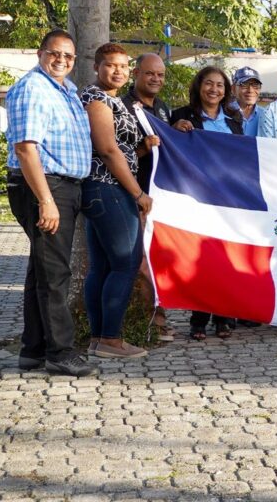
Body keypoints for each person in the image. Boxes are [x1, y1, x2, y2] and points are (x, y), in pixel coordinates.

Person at [4, 29, 97, 377]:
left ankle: (33, 350)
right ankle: (60, 352)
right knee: (56, 275)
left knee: (41, 272)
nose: (61, 60)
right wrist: (46, 200)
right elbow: (27, 149)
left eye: (68, 56)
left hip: (62, 186)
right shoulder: (34, 88)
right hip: (45, 186)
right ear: (40, 53)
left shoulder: (66, 90)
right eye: (54, 53)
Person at [80, 43, 159, 359]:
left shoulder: (115, 101)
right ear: (97, 67)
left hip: (107, 188)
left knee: (102, 266)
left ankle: (100, 339)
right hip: (107, 189)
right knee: (126, 264)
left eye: (124, 66)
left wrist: (143, 148)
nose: (118, 71)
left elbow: (122, 150)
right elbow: (108, 150)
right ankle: (111, 339)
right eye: (111, 65)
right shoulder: (96, 98)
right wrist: (138, 194)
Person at [170, 66, 243, 340]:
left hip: (229, 200)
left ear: (226, 91)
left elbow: (242, 159)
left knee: (226, 259)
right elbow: (169, 149)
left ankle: (224, 317)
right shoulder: (181, 116)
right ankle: (198, 319)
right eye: (209, 84)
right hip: (198, 199)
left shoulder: (234, 121)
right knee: (201, 260)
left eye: (220, 85)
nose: (214, 89)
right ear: (199, 86)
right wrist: (175, 131)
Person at [122, 53, 175, 341]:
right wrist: (143, 149)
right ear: (136, 73)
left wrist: (179, 132)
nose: (156, 79)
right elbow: (114, 154)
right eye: (150, 73)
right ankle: (153, 324)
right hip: (135, 196)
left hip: (162, 197)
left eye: (160, 75)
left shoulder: (163, 108)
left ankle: (154, 317)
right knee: (142, 263)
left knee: (159, 260)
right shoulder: (125, 108)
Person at [231, 66, 264, 137]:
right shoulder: (223, 113)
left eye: (255, 85)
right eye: (244, 85)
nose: (250, 90)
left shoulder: (266, 115)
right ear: (233, 88)